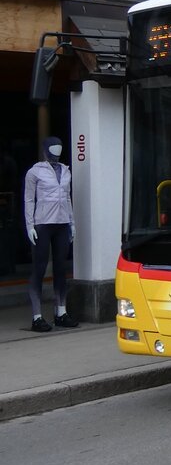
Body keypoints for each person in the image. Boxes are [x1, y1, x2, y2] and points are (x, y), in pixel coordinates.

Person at [23, 136, 77, 332]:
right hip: (43, 224)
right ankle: (37, 316)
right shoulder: (35, 172)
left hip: (62, 223)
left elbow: (67, 197)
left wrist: (72, 223)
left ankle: (60, 312)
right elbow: (29, 200)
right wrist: (30, 225)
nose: (56, 151)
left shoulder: (66, 171)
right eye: (53, 148)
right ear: (45, 150)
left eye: (59, 148)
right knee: (39, 268)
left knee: (61, 269)